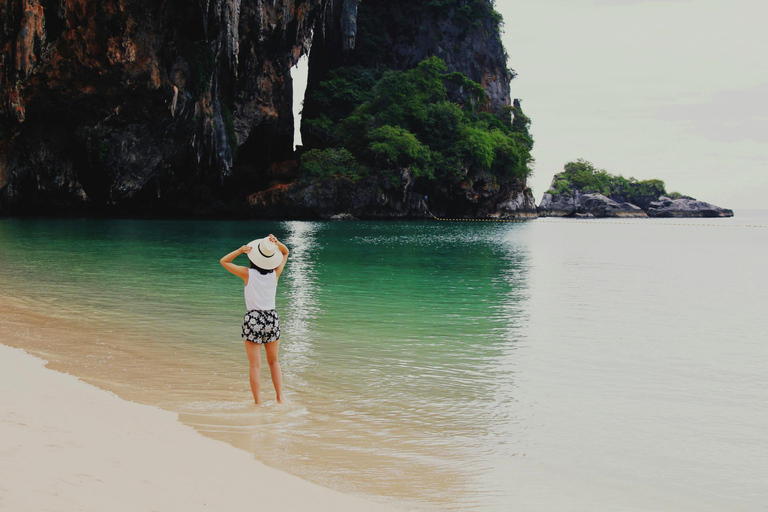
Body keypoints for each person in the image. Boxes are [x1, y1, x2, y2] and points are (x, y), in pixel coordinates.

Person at [220, 234, 289, 405]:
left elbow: (224, 262)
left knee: (255, 366)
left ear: (254, 257)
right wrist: (277, 243)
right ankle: (280, 399)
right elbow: (286, 253)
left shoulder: (247, 273)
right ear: (271, 260)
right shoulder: (275, 274)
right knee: (274, 361)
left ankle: (258, 403)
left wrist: (240, 250)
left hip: (253, 319)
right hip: (271, 318)